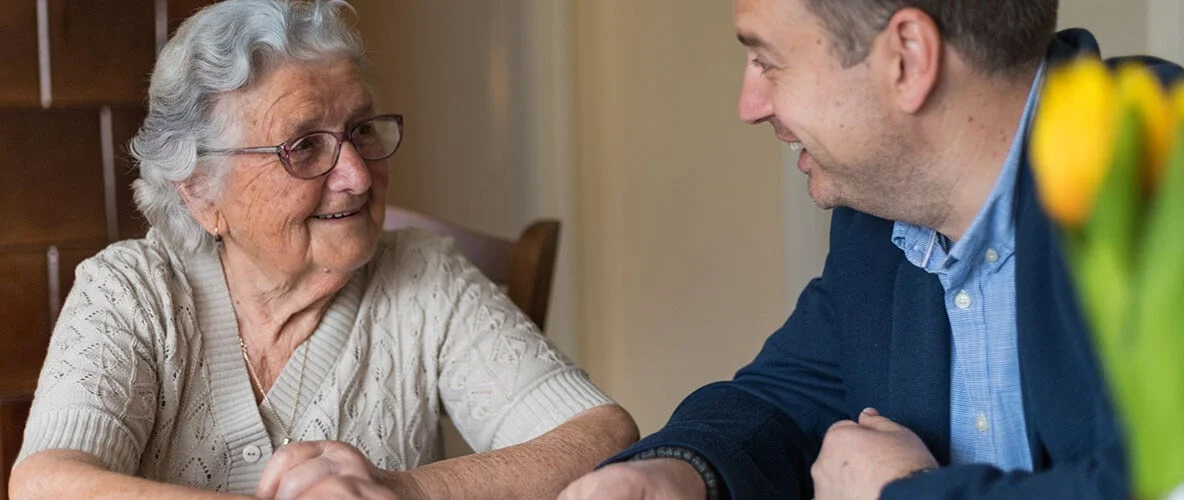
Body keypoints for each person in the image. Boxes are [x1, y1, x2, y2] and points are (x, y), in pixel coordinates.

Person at [8, 1, 637, 498]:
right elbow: (45, 483)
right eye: (303, 146)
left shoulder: (425, 277)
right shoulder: (130, 293)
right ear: (201, 192)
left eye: (361, 130)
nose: (359, 175)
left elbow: (601, 435)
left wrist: (398, 490)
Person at [560, 0, 1182, 499]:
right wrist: (676, 473)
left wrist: (902, 490)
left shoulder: (1163, 167)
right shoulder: (880, 215)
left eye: (767, 61)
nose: (749, 107)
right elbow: (787, 396)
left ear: (907, 59)